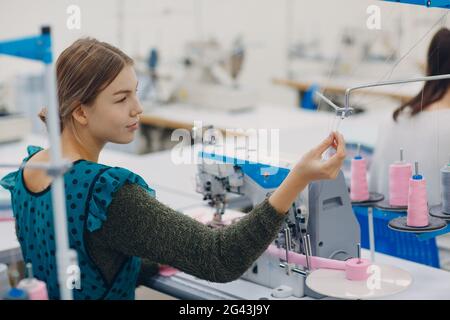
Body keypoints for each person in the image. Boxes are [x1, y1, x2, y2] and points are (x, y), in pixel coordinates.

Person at [0, 38, 346, 300]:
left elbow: (91, 259)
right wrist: (296, 179)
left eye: (135, 94)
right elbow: (221, 258)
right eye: (121, 99)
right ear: (80, 111)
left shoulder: (32, 169)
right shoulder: (105, 193)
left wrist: (166, 249)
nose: (138, 109)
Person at [370, 28, 450, 205]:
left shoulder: (392, 119)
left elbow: (373, 191)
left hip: (383, 229)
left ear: (428, 66)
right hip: (439, 231)